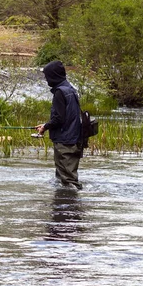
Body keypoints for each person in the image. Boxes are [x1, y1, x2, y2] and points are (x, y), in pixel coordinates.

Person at [35, 60, 83, 189]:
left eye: (47, 76)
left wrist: (45, 127)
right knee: (64, 180)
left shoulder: (60, 92)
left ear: (53, 75)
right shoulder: (69, 89)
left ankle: (70, 207)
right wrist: (46, 124)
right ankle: (64, 207)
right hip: (72, 138)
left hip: (65, 141)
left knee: (69, 181)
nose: (46, 79)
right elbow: (64, 117)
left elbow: (59, 119)